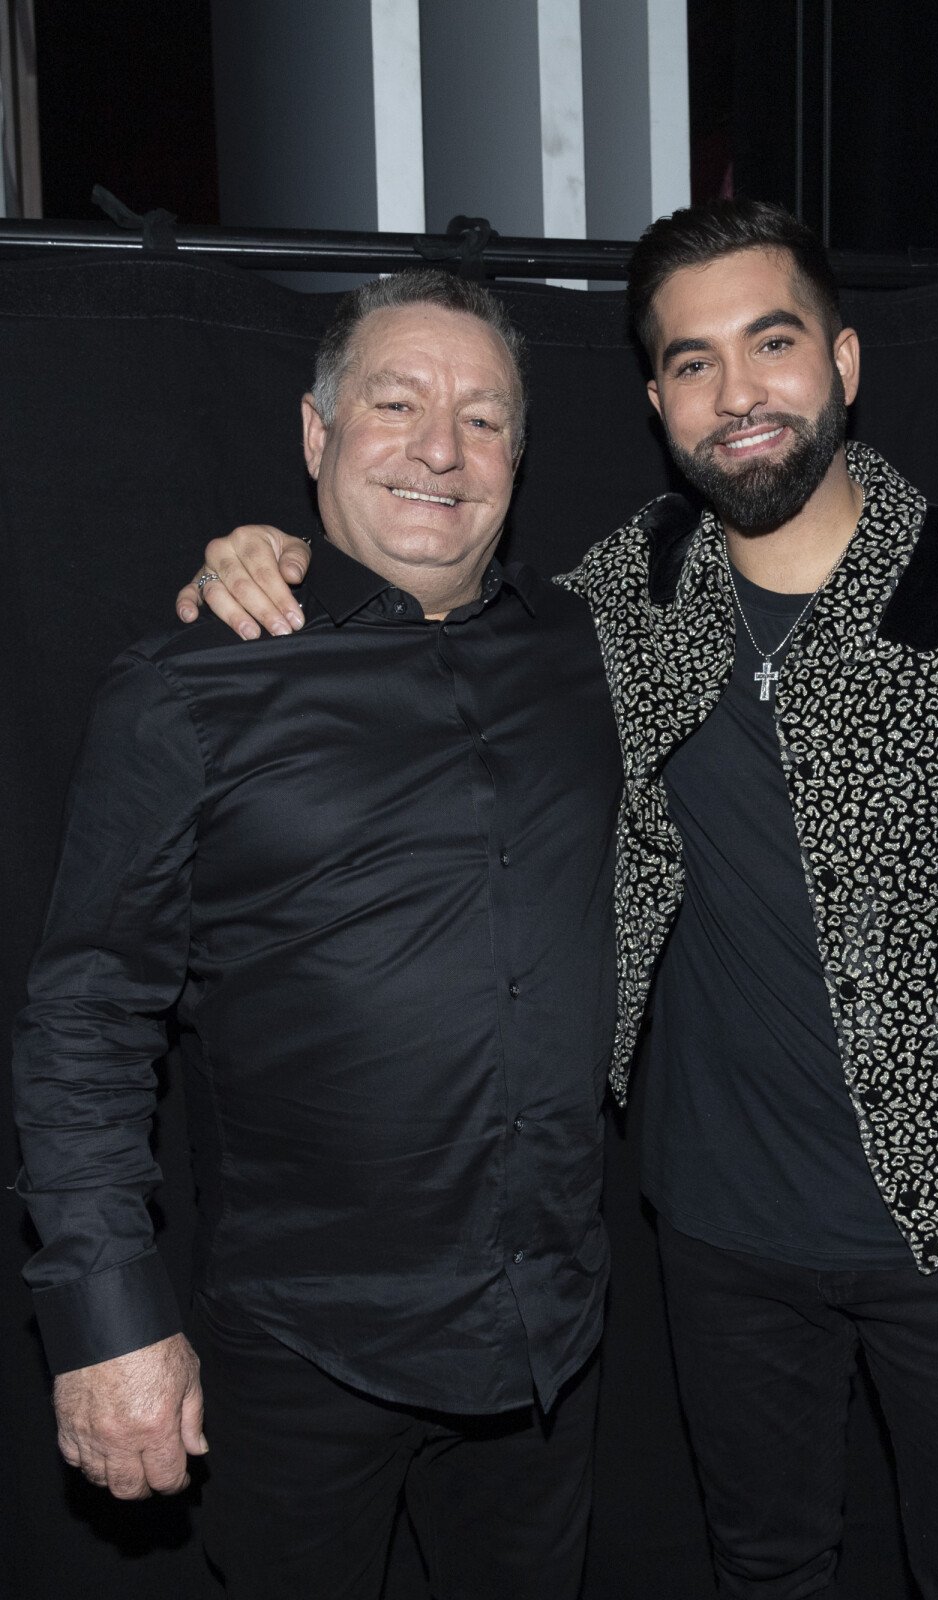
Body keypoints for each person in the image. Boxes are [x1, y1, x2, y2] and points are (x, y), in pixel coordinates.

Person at [175, 201, 938, 1600]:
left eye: (769, 344)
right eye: (693, 361)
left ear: (841, 362)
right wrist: (261, 551)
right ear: (658, 402)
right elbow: (424, 603)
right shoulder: (623, 603)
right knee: (763, 1567)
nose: (739, 390)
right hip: (714, 1236)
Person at [12, 269, 623, 1600]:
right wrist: (105, 1325)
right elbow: (85, 1016)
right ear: (314, 436)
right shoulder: (192, 682)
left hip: (548, 1352)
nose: (438, 449)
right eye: (396, 403)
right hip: (297, 1359)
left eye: (481, 419)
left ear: (520, 456)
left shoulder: (596, 649)